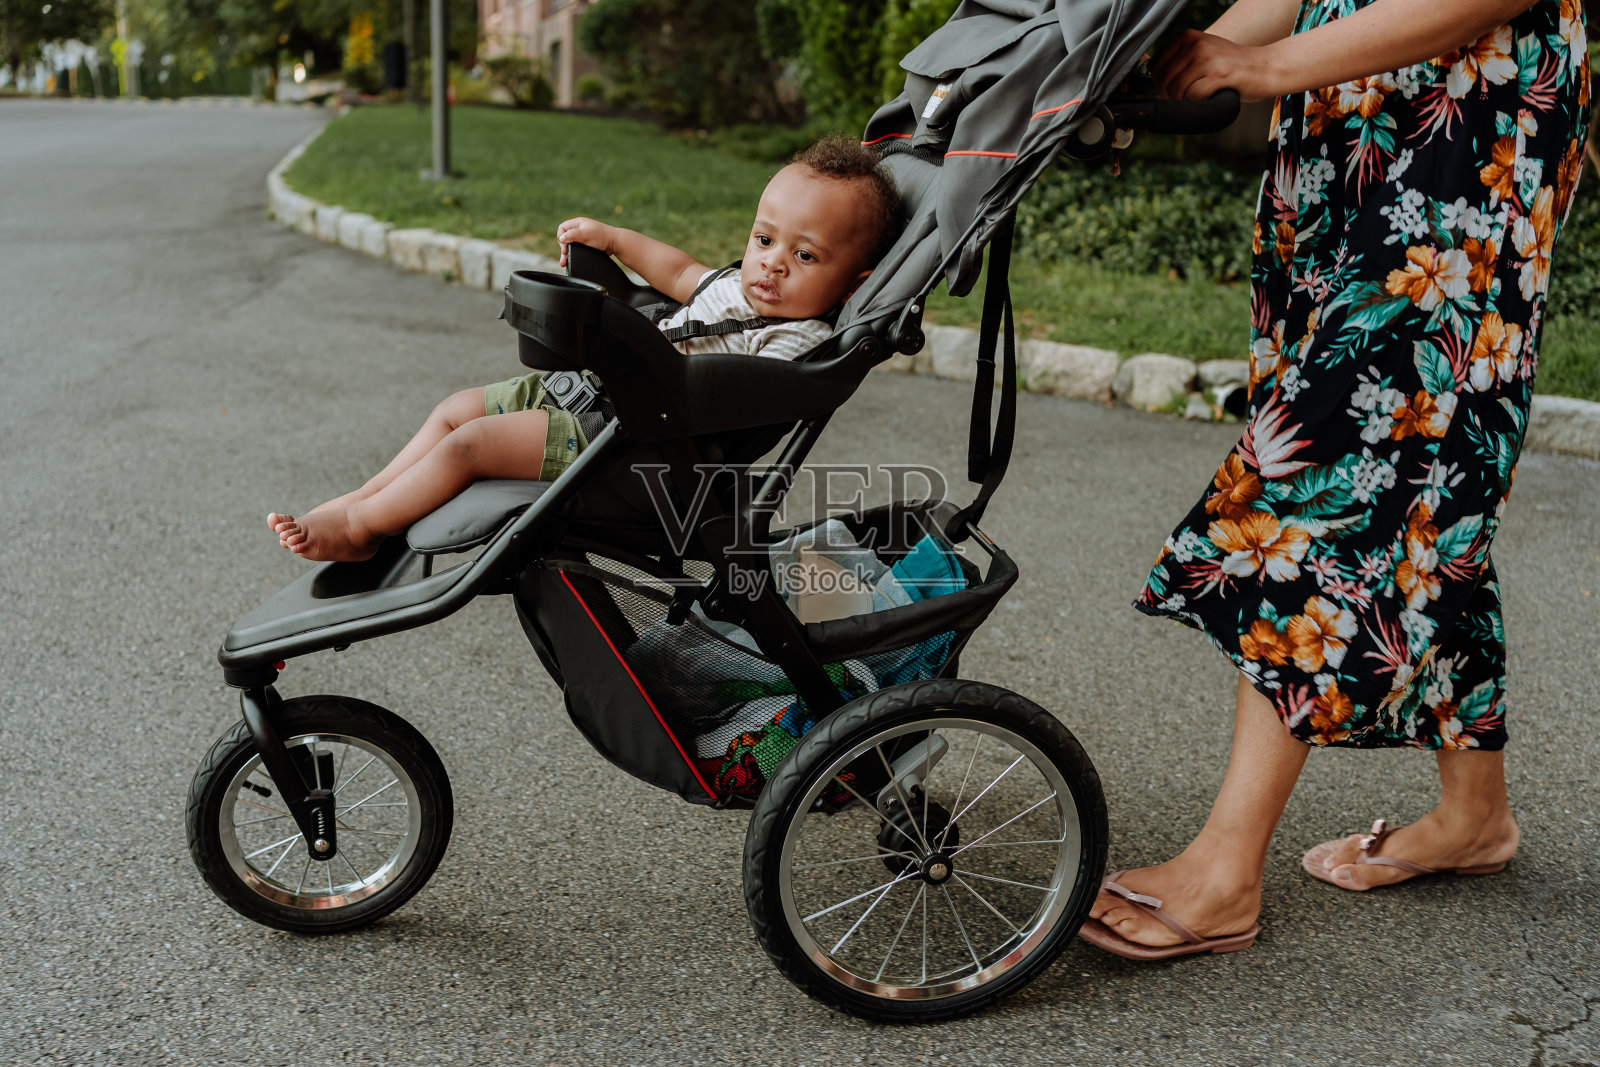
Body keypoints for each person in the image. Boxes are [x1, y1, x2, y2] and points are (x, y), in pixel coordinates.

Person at [1080, 0, 1591, 960]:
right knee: (1422, 482)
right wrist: (1174, 73)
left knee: (1337, 472)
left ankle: (1227, 867)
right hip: (1341, 139)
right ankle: (1476, 812)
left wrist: (1270, 65)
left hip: (1462, 127)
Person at [267, 136, 903, 563]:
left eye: (805, 255)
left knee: (471, 446)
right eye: (764, 239)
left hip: (627, 438)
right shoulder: (733, 285)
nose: (771, 266)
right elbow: (679, 273)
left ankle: (360, 530)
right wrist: (616, 239)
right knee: (454, 409)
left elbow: (726, 389)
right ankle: (363, 498)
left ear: (854, 283)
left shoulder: (799, 339)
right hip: (592, 393)